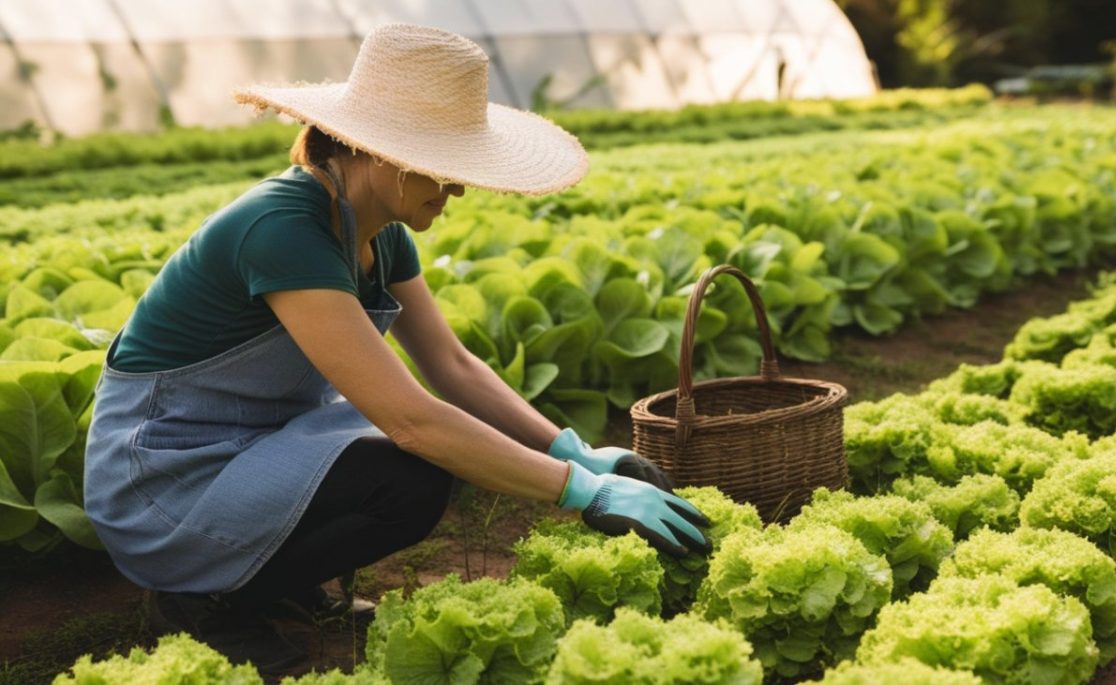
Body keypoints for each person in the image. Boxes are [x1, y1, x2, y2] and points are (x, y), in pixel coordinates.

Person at [83, 23, 711, 673]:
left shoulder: (378, 232)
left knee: (406, 476)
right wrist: (582, 491)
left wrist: (572, 449)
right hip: (165, 476)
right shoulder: (283, 229)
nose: (461, 188)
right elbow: (411, 418)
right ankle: (204, 598)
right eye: (447, 167)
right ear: (379, 151)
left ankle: (275, 582)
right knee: (407, 471)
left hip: (255, 447)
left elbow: (452, 364)